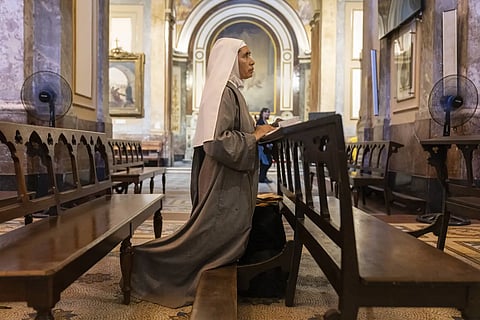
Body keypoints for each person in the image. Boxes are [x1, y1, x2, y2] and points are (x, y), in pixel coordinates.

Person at [129, 37, 274, 308]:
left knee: (211, 237)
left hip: (227, 176)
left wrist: (259, 135)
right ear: (229, 60)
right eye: (245, 55)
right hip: (223, 179)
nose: (252, 61)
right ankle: (144, 263)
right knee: (206, 238)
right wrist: (255, 136)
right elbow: (217, 141)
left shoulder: (231, 91)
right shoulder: (224, 92)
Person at [257, 108, 274, 183]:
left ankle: (262, 177)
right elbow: (260, 133)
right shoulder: (260, 122)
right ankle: (262, 178)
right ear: (262, 113)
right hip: (261, 145)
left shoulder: (265, 122)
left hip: (266, 145)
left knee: (267, 162)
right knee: (266, 162)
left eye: (268, 112)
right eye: (266, 112)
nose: (267, 114)